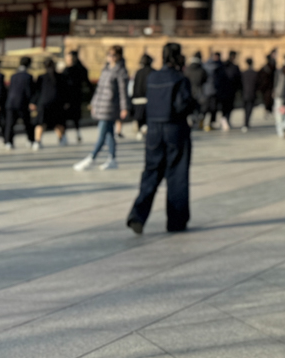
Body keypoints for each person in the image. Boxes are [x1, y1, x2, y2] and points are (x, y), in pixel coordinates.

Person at [127, 42, 195, 234]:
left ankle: (137, 215)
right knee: (177, 175)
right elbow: (183, 105)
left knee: (151, 172)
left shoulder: (152, 77)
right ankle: (176, 220)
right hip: (174, 128)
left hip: (154, 129)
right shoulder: (180, 79)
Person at [74, 46, 130, 170]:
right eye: (109, 54)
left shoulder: (121, 71)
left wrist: (124, 108)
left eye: (113, 54)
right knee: (109, 133)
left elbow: (123, 92)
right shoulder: (105, 69)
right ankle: (112, 159)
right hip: (101, 105)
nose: (111, 57)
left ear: (119, 56)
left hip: (111, 106)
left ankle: (91, 158)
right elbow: (99, 90)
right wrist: (93, 103)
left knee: (102, 133)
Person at [4, 56, 35, 150]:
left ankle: (8, 142)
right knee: (27, 123)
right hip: (22, 103)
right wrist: (32, 102)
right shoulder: (28, 76)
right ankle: (31, 140)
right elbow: (29, 91)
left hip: (11, 102)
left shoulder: (13, 75)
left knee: (10, 124)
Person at [33, 57, 65, 149]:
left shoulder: (41, 77)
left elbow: (37, 92)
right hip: (57, 102)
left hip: (43, 103)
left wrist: (33, 102)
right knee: (58, 122)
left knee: (40, 123)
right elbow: (65, 90)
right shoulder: (60, 76)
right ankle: (61, 139)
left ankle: (37, 141)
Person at [62, 49, 90, 143]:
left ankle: (66, 135)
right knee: (73, 116)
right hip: (75, 96)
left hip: (71, 96)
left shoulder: (71, 69)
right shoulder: (81, 68)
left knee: (69, 116)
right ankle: (71, 134)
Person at [131, 53, 154, 140]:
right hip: (149, 98)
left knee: (139, 117)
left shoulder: (138, 72)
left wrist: (132, 97)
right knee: (147, 117)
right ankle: (145, 129)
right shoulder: (153, 72)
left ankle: (141, 130)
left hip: (137, 98)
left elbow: (134, 85)